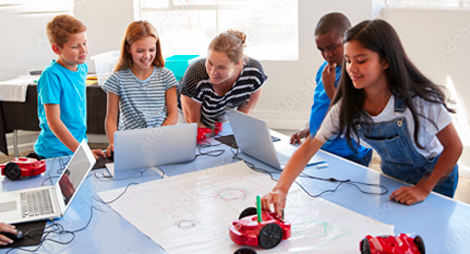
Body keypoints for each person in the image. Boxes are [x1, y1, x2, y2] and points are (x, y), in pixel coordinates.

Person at [262, 19, 462, 214]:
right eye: (348, 61)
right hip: (393, 177)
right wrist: (281, 188)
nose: (352, 68)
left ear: (385, 60)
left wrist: (423, 188)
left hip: (435, 178)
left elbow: (454, 147)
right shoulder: (348, 105)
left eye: (361, 60)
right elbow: (309, 147)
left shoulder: (417, 99)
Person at [290, 12, 372, 167]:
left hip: (347, 153)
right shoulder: (325, 69)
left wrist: (329, 86)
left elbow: (347, 112)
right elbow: (321, 104)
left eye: (333, 47)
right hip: (323, 147)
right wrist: (308, 129)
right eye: (321, 49)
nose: (327, 54)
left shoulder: (355, 74)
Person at [34, 15, 105, 159]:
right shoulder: (51, 75)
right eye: (75, 46)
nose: (83, 50)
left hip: (77, 146)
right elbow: (53, 121)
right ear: (56, 49)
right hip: (54, 151)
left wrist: (81, 148)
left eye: (84, 43)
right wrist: (82, 152)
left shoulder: (82, 67)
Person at [103, 21, 178, 157]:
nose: (146, 56)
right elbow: (111, 119)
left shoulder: (166, 76)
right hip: (130, 143)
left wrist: (158, 137)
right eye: (140, 51)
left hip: (161, 141)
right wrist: (113, 143)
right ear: (128, 48)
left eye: (151, 50)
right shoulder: (117, 79)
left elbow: (173, 115)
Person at [178, 30, 267, 128]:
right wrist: (209, 136)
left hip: (219, 115)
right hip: (182, 115)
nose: (213, 72)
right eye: (210, 63)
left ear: (237, 64)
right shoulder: (196, 72)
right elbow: (193, 122)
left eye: (222, 67)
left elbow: (243, 116)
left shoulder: (254, 72)